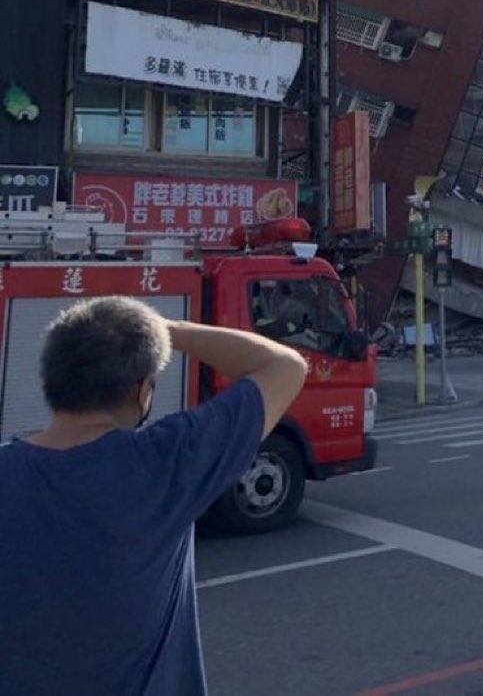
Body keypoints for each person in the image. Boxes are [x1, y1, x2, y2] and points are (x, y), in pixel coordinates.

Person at [0, 295, 307, 695]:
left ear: (50, 379)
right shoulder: (165, 463)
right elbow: (285, 366)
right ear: (140, 389)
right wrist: (163, 328)